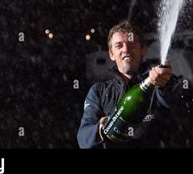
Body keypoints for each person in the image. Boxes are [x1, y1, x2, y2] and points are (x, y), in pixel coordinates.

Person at [77, 20, 182, 148]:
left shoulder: (160, 81)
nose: (126, 49)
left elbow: (170, 100)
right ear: (111, 54)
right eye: (119, 45)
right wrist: (101, 128)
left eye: (132, 44)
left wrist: (165, 83)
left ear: (143, 49)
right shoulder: (99, 91)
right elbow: (83, 140)